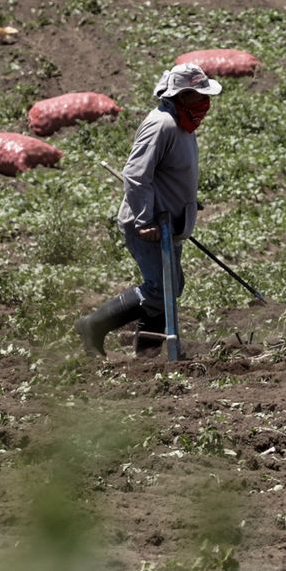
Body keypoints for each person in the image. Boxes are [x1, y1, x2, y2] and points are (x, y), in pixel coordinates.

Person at [74, 61, 221, 357]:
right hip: (151, 223)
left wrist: (185, 199)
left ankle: (148, 353)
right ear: (180, 95)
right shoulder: (162, 124)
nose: (205, 103)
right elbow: (136, 174)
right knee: (159, 288)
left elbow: (168, 171)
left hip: (170, 220)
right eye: (198, 95)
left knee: (170, 286)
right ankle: (93, 325)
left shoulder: (184, 122)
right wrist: (144, 220)